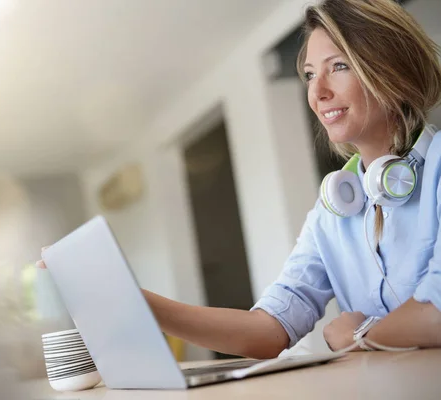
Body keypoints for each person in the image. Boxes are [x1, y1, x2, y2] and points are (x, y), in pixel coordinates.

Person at [38, 0, 441, 359]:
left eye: (338, 66)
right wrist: (131, 299)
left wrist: (360, 334)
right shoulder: (333, 214)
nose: (317, 92)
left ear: (391, 70)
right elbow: (269, 330)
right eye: (307, 74)